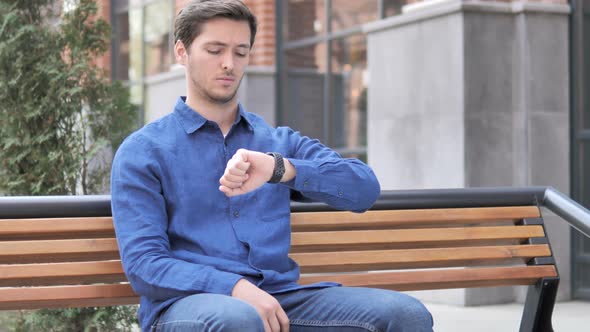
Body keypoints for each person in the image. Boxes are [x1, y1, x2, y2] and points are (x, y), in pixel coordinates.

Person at [111, 1, 433, 331]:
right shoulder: (144, 151)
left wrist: (280, 169)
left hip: (281, 299)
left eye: (240, 52)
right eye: (215, 50)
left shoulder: (277, 143)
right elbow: (145, 265)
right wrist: (235, 288)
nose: (228, 64)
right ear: (182, 52)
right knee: (238, 319)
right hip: (188, 305)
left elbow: (365, 188)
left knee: (407, 315)